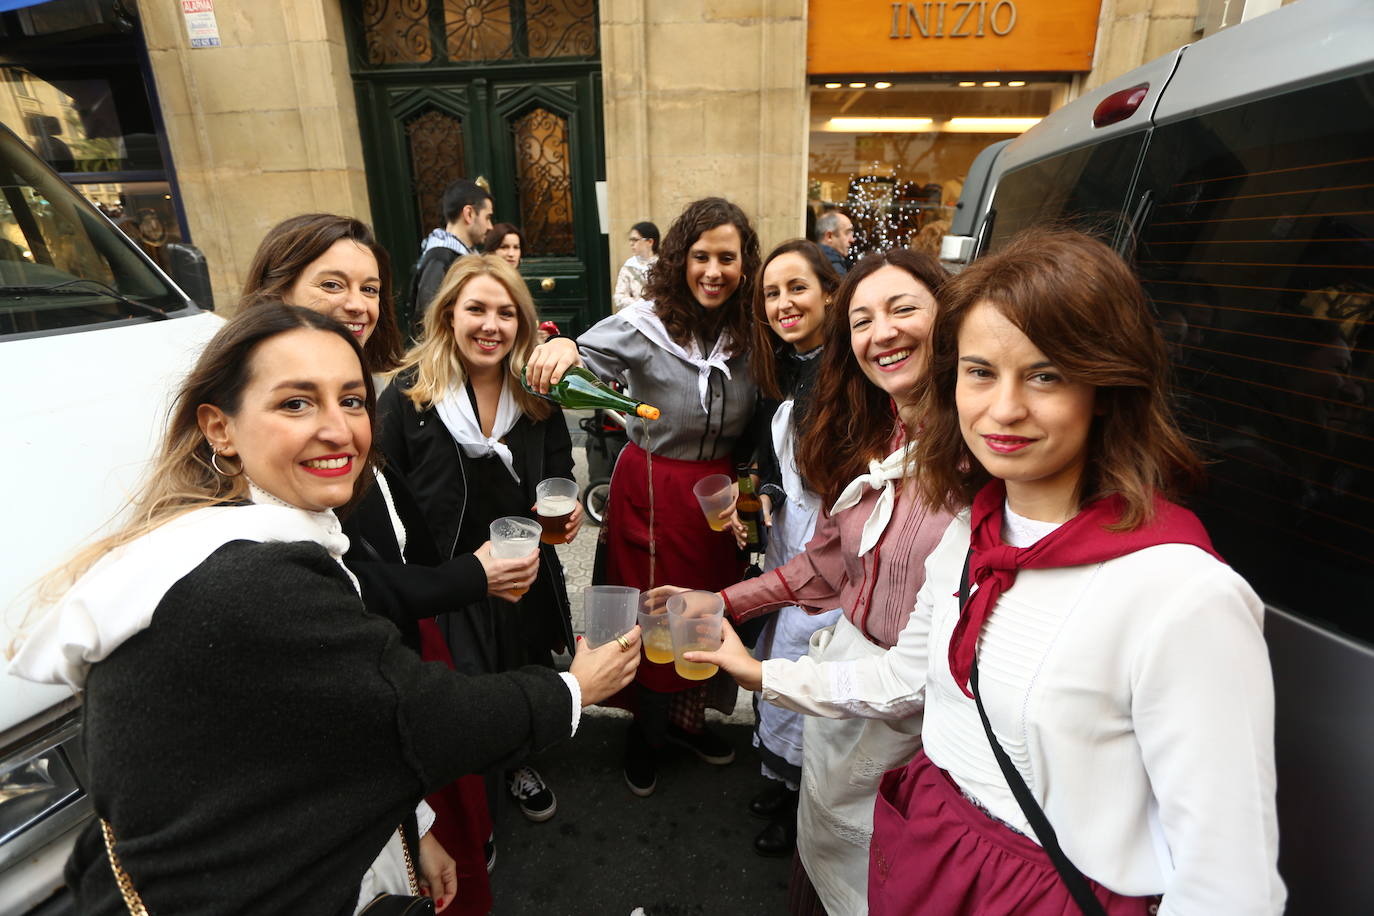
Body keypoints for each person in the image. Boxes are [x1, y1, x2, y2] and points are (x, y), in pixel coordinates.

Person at [691, 229, 1286, 914]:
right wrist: (755, 669)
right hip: (927, 855)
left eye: (1045, 374)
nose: (1003, 409)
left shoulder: (1184, 596)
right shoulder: (971, 539)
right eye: (980, 372)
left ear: (1108, 384)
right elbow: (901, 674)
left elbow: (1227, 886)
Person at [8, 303, 640, 915]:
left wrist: (413, 824)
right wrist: (575, 687)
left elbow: (336, 733)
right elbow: (418, 718)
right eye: (295, 403)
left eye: (352, 400)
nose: (338, 429)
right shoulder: (251, 582)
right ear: (219, 427)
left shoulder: (220, 536)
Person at [241, 213, 532, 912]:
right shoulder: (265, 421)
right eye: (332, 284)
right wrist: (470, 578)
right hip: (364, 665)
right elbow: (342, 575)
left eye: (370, 288)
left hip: (419, 625)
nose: (357, 304)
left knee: (448, 811)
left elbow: (390, 530)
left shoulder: (362, 390)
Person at [650, 248, 954, 914]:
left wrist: (759, 674)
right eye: (864, 321)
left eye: (904, 309)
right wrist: (721, 601)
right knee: (823, 868)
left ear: (952, 320)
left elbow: (913, 675)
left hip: (922, 741)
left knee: (886, 886)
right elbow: (823, 563)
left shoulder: (976, 458)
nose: (883, 332)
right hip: (845, 716)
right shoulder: (875, 435)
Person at [524, 197, 761, 797]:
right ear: (680, 259)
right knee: (654, 611)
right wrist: (562, 345)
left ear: (743, 264)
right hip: (652, 488)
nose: (713, 270)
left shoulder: (753, 331)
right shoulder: (645, 323)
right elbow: (586, 354)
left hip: (717, 495)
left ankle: (688, 719)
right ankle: (647, 732)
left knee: (706, 606)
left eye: (727, 258)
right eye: (701, 256)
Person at [378, 254, 585, 827]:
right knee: (456, 696)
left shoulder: (538, 396)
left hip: (522, 576)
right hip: (449, 582)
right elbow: (382, 498)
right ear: (448, 315)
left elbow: (560, 467)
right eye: (476, 309)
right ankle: (467, 808)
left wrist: (562, 521)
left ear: (522, 323)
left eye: (505, 313)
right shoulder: (408, 397)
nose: (490, 325)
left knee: (521, 671)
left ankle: (515, 764)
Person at [741, 239, 843, 858]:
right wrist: (765, 495)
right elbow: (779, 463)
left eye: (797, 288)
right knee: (781, 666)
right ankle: (782, 781)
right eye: (773, 294)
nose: (784, 303)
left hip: (832, 557)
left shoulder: (849, 371)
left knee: (815, 680)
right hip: (790, 546)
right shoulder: (789, 366)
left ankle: (807, 807)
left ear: (831, 293)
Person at [413, 179, 494, 321]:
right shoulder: (440, 259)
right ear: (469, 214)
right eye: (487, 218)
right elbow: (428, 319)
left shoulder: (454, 256)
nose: (490, 226)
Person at [612, 220, 660, 311]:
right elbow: (619, 297)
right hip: (637, 319)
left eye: (635, 240)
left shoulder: (664, 265)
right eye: (630, 240)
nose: (631, 243)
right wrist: (640, 305)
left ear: (650, 242)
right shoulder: (629, 267)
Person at [814, 209, 854, 276]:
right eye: (847, 233)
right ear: (829, 236)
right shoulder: (835, 270)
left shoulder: (809, 260)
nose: (852, 240)